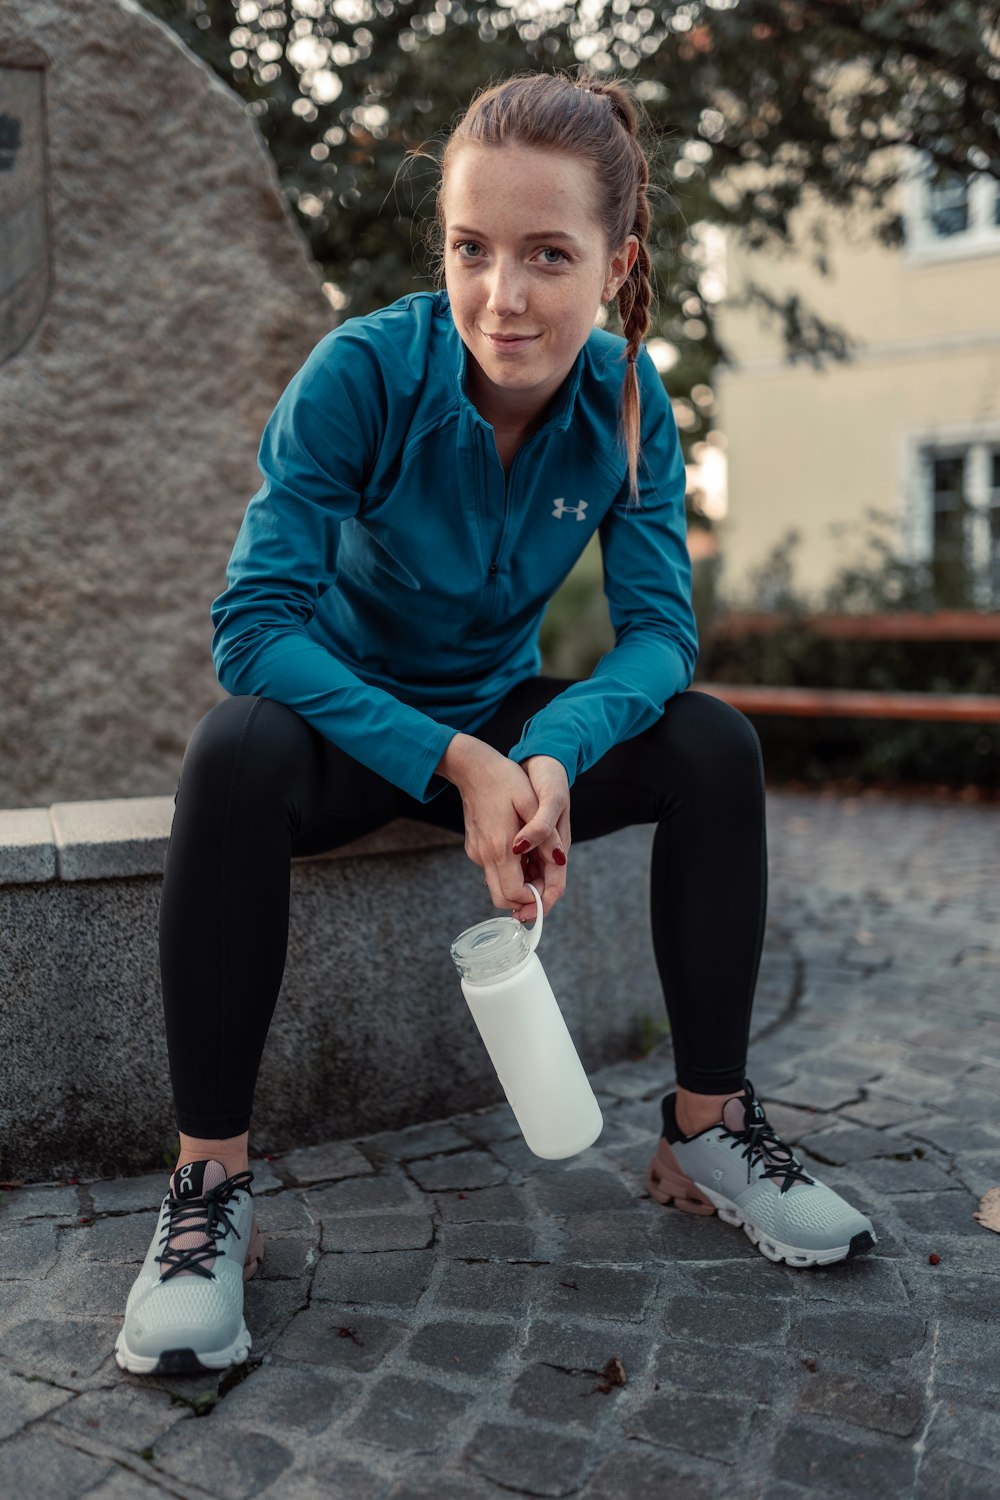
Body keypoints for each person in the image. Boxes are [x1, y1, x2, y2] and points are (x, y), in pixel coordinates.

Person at [115, 70, 875, 1378]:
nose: (503, 296)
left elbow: (656, 637)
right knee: (229, 750)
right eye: (472, 249)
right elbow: (253, 629)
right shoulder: (361, 373)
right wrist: (455, 761)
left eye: (546, 255)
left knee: (713, 745)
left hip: (503, 721)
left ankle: (705, 1129)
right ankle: (208, 1194)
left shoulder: (632, 400)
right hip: (354, 732)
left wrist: (547, 753)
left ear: (613, 262)